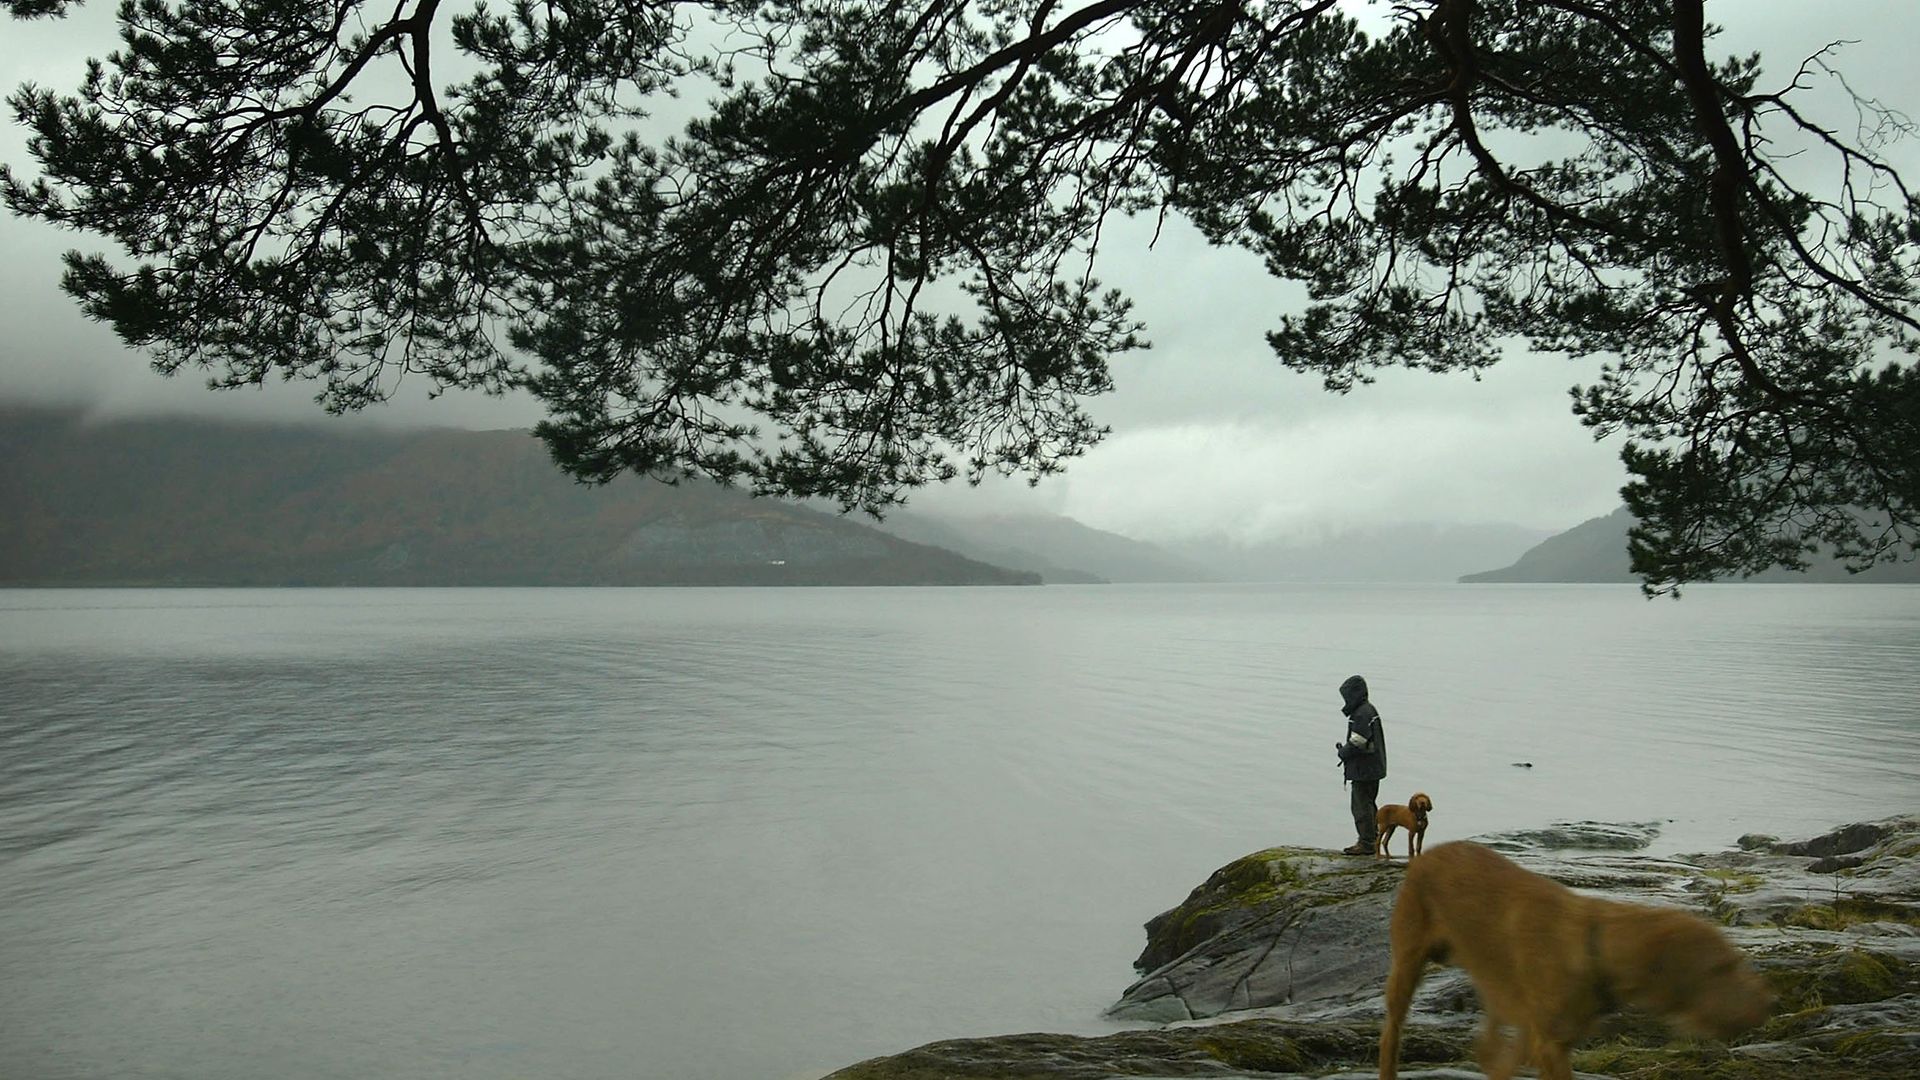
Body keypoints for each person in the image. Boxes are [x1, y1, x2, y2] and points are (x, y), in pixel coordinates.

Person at [1333, 674, 1386, 855]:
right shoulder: (1368, 710)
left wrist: (1343, 752)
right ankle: (1373, 838)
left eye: (1346, 696)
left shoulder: (1362, 713)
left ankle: (1366, 842)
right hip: (1373, 768)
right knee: (1369, 804)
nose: (1345, 700)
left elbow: (1358, 741)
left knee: (1361, 806)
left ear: (1353, 695)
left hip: (1364, 770)